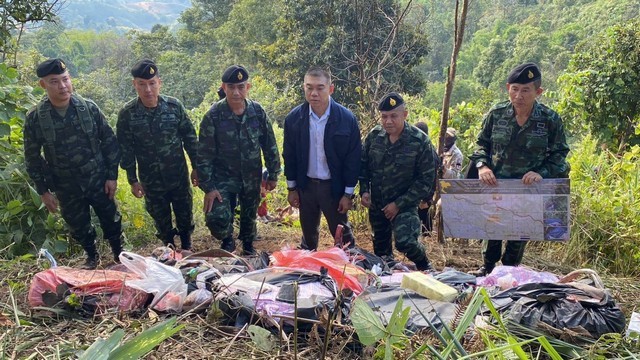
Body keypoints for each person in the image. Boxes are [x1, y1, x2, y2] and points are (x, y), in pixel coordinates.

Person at [469, 63, 570, 276]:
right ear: (508, 88)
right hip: (496, 187)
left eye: (526, 90)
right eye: (515, 89)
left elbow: (560, 154)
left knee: (518, 237)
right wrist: (482, 165)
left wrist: (541, 173)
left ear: (538, 92)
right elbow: (480, 145)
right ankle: (487, 270)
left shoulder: (550, 120)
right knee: (493, 233)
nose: (519, 95)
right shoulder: (496, 114)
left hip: (527, 190)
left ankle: (509, 275)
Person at [23, 58, 123, 269]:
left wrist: (111, 176)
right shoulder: (36, 118)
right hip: (65, 184)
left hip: (97, 177)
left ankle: (119, 253)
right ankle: (91, 257)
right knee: (78, 225)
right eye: (54, 81)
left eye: (65, 79)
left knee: (110, 217)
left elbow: (110, 142)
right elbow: (32, 157)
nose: (62, 86)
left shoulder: (88, 108)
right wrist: (44, 190)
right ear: (43, 85)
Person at [197, 65, 281, 255]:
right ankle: (227, 239)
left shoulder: (257, 112)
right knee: (215, 217)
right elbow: (204, 155)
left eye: (241, 87)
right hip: (223, 177)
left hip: (251, 175)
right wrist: (209, 187)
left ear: (248, 87)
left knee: (249, 214)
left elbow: (270, 145)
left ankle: (248, 243)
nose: (236, 92)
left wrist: (274, 174)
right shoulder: (213, 116)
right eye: (231, 87)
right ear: (223, 87)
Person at [116, 59, 198, 250]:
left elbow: (190, 139)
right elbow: (126, 149)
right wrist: (132, 180)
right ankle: (168, 247)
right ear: (134, 84)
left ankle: (186, 245)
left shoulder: (174, 106)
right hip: (150, 179)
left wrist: (196, 167)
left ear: (159, 82)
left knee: (184, 212)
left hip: (177, 175)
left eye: (152, 83)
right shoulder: (127, 114)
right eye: (142, 84)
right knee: (160, 218)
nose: (148, 89)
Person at [282, 66, 361, 250]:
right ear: (304, 88)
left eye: (320, 88)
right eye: (309, 88)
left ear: (330, 88)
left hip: (333, 187)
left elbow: (353, 159)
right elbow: (290, 156)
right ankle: (308, 272)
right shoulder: (294, 119)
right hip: (306, 186)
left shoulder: (346, 119)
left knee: (343, 238)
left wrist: (348, 193)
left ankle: (350, 268)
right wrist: (292, 188)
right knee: (308, 236)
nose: (314, 93)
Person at [360, 93, 436, 271]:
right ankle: (387, 280)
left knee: (405, 242)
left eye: (394, 116)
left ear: (405, 115)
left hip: (405, 204)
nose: (388, 121)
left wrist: (399, 204)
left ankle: (425, 265)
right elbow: (363, 167)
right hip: (378, 204)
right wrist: (364, 191)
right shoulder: (374, 137)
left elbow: (425, 180)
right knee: (381, 254)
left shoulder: (420, 141)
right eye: (384, 116)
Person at [413, 121, 439, 234]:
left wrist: (426, 198)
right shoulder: (419, 148)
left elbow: (431, 177)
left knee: (424, 227)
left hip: (423, 194)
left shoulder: (429, 151)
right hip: (417, 192)